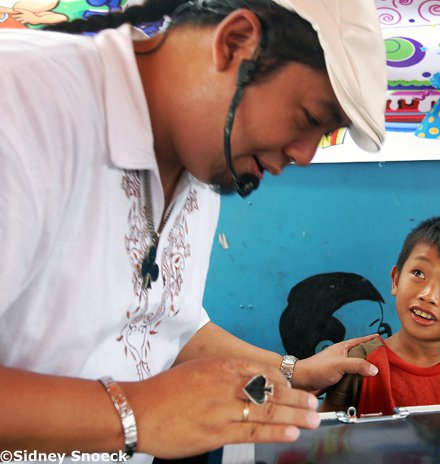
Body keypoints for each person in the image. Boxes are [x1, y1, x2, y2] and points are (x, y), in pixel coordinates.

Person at [0, 0, 387, 461]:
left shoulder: (203, 166)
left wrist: (293, 371)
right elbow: (147, 402)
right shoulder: (21, 105)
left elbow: (168, 325)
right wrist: (137, 412)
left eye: (324, 136)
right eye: (309, 118)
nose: (305, 155)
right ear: (235, 42)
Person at [321, 216, 440, 416]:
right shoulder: (359, 363)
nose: (428, 295)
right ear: (396, 280)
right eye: (418, 273)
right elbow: (328, 433)